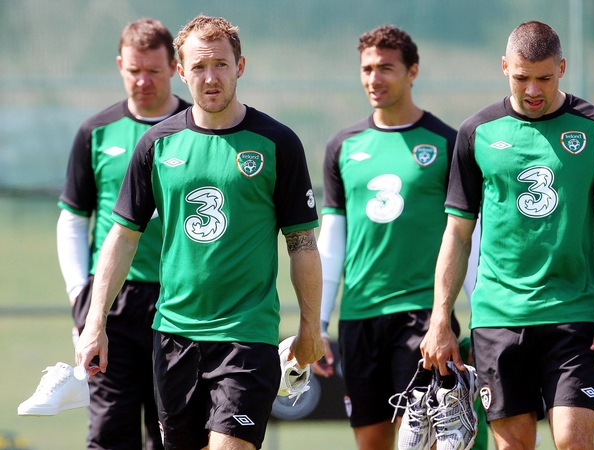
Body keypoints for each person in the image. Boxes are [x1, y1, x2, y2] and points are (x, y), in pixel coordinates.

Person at [74, 15, 325, 450]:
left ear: (240, 66)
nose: (210, 78)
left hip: (246, 334)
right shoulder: (157, 143)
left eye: (221, 65)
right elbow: (123, 236)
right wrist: (95, 321)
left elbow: (301, 242)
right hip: (173, 333)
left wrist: (310, 327)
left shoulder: (276, 142)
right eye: (198, 67)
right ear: (181, 71)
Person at [421, 20, 594, 450]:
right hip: (499, 317)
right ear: (505, 67)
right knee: (513, 446)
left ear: (562, 67)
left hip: (573, 314)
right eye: (522, 78)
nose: (534, 89)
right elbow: (457, 234)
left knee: (573, 442)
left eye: (545, 78)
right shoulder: (476, 132)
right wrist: (440, 318)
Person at [311, 25, 463, 450]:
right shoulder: (342, 146)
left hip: (423, 316)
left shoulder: (448, 143)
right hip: (360, 318)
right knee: (372, 441)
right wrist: (319, 324)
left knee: (422, 439)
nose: (374, 79)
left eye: (386, 68)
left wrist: (477, 318)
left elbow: (468, 236)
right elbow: (333, 239)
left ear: (412, 71)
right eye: (367, 69)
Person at [56, 18, 188, 450]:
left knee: (173, 434)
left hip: (181, 301)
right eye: (134, 71)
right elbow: (74, 219)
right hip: (115, 301)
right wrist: (82, 296)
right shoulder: (96, 132)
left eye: (153, 70)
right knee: (109, 430)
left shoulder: (198, 127)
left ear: (174, 67)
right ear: (120, 66)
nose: (144, 81)